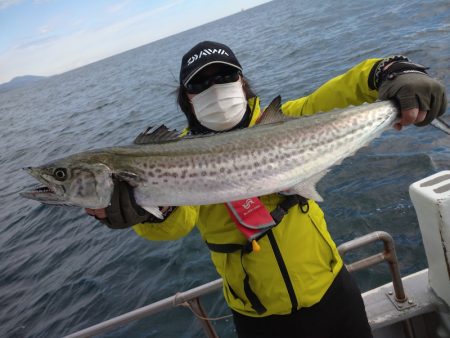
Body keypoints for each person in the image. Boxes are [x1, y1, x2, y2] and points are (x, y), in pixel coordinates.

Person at [86, 41, 447, 338]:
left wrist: (390, 70)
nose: (215, 87)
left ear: (242, 83)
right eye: (199, 84)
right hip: (259, 317)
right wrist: (147, 212)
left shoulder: (285, 119)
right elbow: (175, 225)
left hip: (332, 289)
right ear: (188, 98)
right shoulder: (173, 155)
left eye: (225, 75)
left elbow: (339, 92)